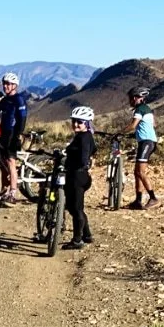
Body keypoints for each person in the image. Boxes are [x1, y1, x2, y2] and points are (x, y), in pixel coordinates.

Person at [62, 106, 96, 249]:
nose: (76, 124)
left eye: (80, 122)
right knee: (74, 207)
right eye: (74, 121)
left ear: (87, 123)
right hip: (78, 175)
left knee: (76, 208)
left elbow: (83, 158)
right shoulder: (83, 136)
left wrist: (79, 162)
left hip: (78, 176)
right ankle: (87, 235)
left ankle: (77, 240)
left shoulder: (84, 138)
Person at [0, 72, 29, 204]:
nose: (6, 86)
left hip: (12, 134)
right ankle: (4, 190)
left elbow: (22, 118)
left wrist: (18, 134)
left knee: (11, 163)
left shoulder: (18, 99)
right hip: (3, 133)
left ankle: (13, 192)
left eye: (9, 84)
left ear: (15, 85)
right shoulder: (5, 100)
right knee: (3, 164)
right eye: (4, 84)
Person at [125, 87, 159, 209]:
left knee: (140, 172)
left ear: (134, 98)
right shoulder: (147, 109)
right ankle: (138, 201)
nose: (129, 101)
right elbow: (153, 124)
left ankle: (153, 198)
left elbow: (133, 125)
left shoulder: (139, 109)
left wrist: (119, 132)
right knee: (136, 172)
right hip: (147, 141)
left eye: (130, 98)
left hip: (146, 142)